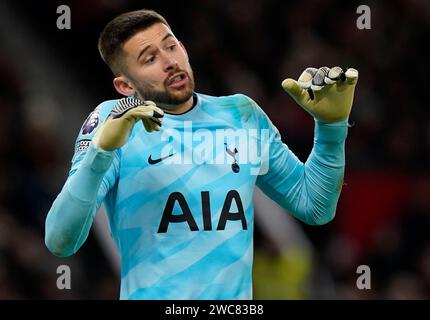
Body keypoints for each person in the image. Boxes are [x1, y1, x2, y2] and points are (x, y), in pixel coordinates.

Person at [44, 9, 358, 300]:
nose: (170, 61)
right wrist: (102, 152)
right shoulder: (114, 122)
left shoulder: (240, 114)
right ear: (125, 86)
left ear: (183, 47)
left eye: (171, 46)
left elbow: (315, 206)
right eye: (149, 58)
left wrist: (330, 128)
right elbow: (60, 240)